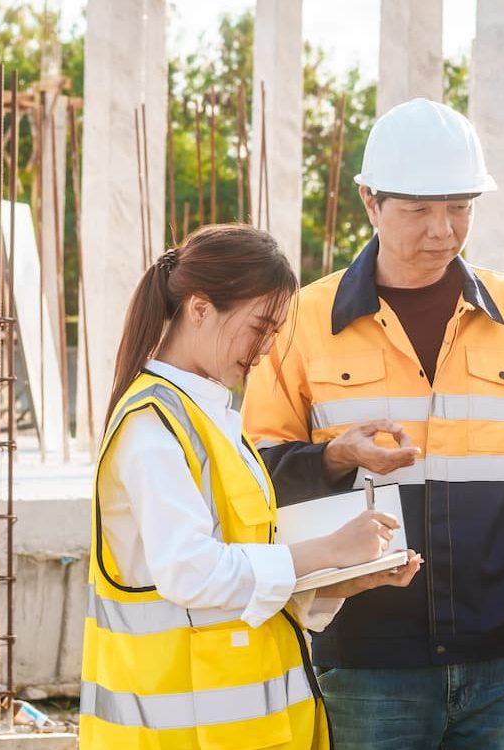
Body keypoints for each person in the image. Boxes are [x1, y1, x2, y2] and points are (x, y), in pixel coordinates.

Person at [242, 98, 504, 749]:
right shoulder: (304, 320)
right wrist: (335, 458)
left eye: (460, 207)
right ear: (370, 201)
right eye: (420, 210)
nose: (443, 230)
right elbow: (254, 477)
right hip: (367, 665)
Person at [80, 224, 424, 750]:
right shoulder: (152, 428)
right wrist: (326, 549)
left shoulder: (211, 419)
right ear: (200, 309)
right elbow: (190, 572)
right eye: (259, 327)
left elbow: (242, 572)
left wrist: (336, 581)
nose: (264, 350)